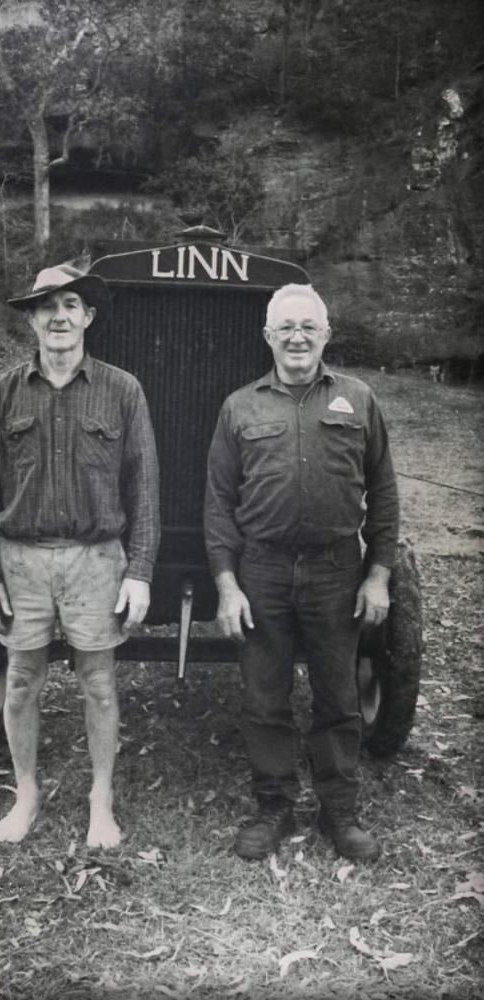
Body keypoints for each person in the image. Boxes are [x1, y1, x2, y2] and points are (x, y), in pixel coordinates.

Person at [0, 261, 160, 846]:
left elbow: (143, 487)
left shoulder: (122, 390)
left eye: (70, 304)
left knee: (98, 682)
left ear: (88, 317)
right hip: (20, 559)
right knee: (22, 680)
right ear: (31, 318)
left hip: (97, 559)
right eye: (46, 305)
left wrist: (141, 572)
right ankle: (26, 793)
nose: (58, 316)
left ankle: (102, 801)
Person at [204, 283, 399, 862]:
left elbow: (384, 493)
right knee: (265, 698)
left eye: (308, 327)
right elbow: (218, 503)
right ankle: (274, 806)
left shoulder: (359, 399)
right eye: (285, 327)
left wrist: (379, 574)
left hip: (337, 571)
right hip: (261, 571)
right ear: (267, 336)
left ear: (325, 335)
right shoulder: (240, 406)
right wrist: (227, 583)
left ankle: (339, 811)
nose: (296, 337)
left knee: (337, 697)